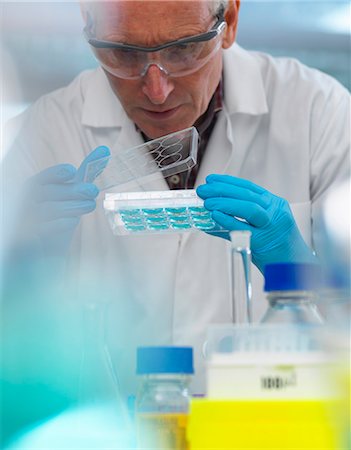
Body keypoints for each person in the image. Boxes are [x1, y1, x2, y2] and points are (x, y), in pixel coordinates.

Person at [2, 0, 350, 396]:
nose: (156, 89)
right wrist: (18, 272)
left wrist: (305, 274)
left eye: (183, 49)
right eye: (124, 53)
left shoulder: (319, 114)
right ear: (87, 25)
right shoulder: (39, 136)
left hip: (267, 422)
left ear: (230, 21)